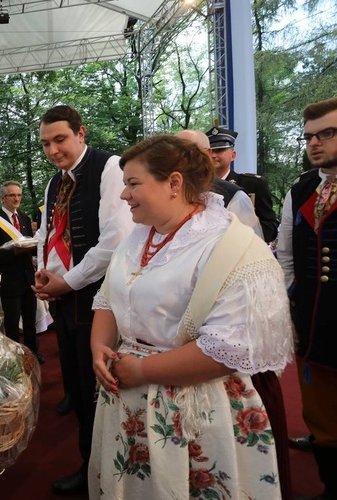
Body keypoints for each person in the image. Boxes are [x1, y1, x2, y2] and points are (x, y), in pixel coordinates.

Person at [89, 135, 293, 499]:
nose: (124, 196)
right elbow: (109, 297)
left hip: (196, 407)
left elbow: (227, 347)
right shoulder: (137, 238)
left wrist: (143, 371)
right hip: (129, 397)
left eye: (134, 184)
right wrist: (98, 345)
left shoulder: (233, 246)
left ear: (174, 183)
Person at [176, 128, 292, 499]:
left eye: (191, 152)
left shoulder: (232, 195)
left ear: (209, 155)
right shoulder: (166, 199)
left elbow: (249, 260)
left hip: (226, 323)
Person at [33, 105, 134, 495]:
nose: (53, 150)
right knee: (76, 384)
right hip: (66, 299)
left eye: (60, 139)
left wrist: (68, 282)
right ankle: (90, 464)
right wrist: (45, 274)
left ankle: (104, 473)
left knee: (99, 390)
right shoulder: (54, 182)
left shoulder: (108, 168)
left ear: (81, 133)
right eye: (45, 143)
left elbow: (115, 240)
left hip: (98, 299)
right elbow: (47, 233)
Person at [278, 97, 337, 500]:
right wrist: (287, 309)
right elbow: (285, 255)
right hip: (314, 319)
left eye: (327, 133)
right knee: (320, 410)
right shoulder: (301, 188)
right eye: (309, 136)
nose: (314, 143)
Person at [0, 180, 43, 364]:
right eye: (12, 195)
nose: (16, 198)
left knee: (30, 319)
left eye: (19, 194)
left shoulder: (25, 218)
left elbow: (32, 245)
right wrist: (14, 251)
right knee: (12, 322)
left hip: (28, 278)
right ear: (3, 198)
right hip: (10, 279)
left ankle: (32, 352)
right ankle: (13, 357)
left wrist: (33, 248)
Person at [175, 129, 264, 239]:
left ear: (207, 153)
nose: (180, 157)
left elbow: (251, 244)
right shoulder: (169, 190)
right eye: (174, 152)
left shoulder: (233, 195)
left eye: (187, 151)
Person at [206, 126, 280, 242]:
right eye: (210, 151)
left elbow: (271, 228)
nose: (213, 155)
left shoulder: (253, 184)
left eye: (219, 150)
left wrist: (252, 224)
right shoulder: (197, 187)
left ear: (233, 155)